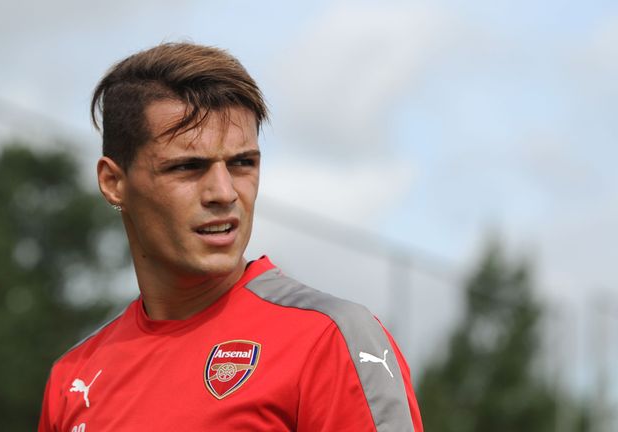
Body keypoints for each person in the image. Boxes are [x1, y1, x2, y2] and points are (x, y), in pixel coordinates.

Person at [38, 42, 423, 431]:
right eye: (188, 167)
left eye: (242, 163)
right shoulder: (74, 378)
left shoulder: (331, 337)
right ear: (114, 182)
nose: (224, 192)